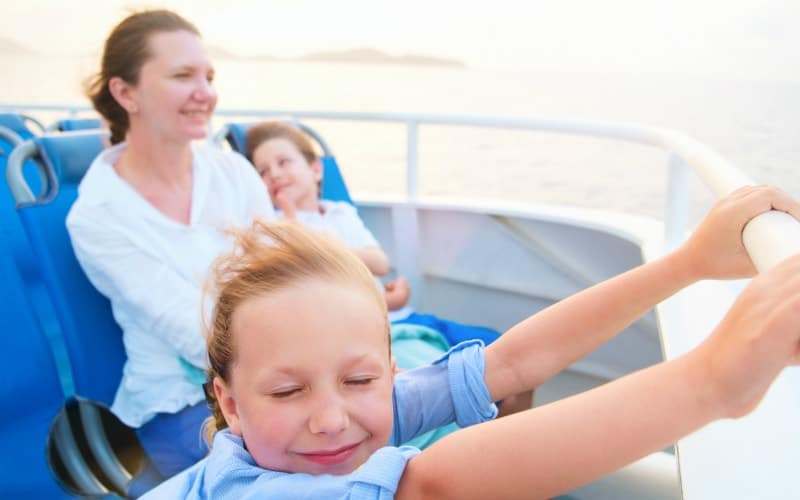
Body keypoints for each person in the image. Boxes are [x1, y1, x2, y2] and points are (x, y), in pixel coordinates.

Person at [141, 185, 800, 499]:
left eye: (361, 380)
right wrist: (714, 379)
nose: (331, 416)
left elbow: (512, 362)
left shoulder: (347, 424)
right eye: (287, 390)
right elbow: (430, 486)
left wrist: (687, 264)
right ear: (227, 403)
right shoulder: (248, 493)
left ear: (389, 371)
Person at [66, 10, 275, 478]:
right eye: (183, 76)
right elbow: (195, 335)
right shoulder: (99, 216)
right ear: (125, 93)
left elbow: (282, 275)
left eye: (209, 76)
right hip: (182, 405)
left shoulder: (233, 174)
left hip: (278, 375)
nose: (206, 93)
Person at [245, 121, 531, 420]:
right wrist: (295, 227)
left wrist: (380, 294)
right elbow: (313, 301)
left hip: (403, 315)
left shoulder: (338, 213)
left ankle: (520, 452)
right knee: (484, 387)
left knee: (516, 359)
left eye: (283, 162)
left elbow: (379, 263)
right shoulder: (276, 230)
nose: (274, 174)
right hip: (372, 329)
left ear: (316, 170)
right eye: (262, 171)